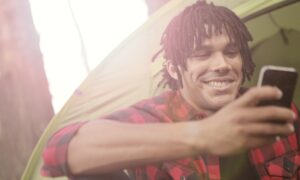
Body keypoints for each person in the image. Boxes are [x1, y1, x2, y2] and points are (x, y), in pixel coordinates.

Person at [41, 1, 299, 180]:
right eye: (202, 54)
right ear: (174, 69)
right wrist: (202, 134)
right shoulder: (154, 116)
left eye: (231, 52)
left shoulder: (272, 111)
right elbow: (60, 149)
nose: (222, 65)